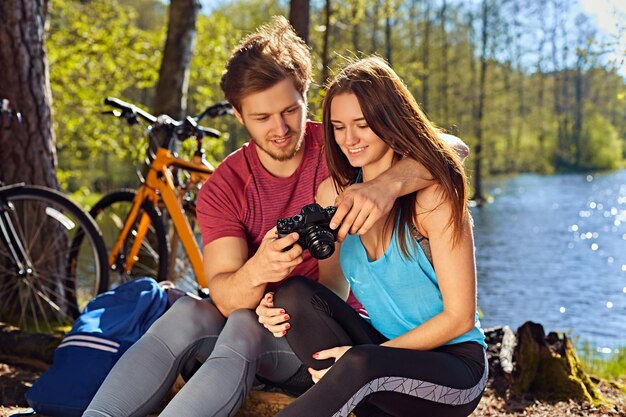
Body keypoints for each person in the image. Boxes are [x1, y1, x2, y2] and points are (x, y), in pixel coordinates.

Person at [83, 18, 465, 417]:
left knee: (244, 325)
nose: (280, 129)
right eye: (262, 118)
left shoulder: (344, 144)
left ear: (305, 96)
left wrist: (387, 185)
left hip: (334, 334)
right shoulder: (225, 186)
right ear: (237, 115)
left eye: (289, 111)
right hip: (261, 328)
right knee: (190, 312)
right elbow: (226, 295)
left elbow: (451, 147)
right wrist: (260, 269)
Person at [269, 57, 488, 417]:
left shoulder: (432, 197)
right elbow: (333, 290)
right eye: (338, 127)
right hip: (382, 356)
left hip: (456, 368)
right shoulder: (333, 197)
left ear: (390, 119)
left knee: (360, 365)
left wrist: (369, 359)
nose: (349, 139)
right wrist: (280, 310)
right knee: (293, 294)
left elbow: (460, 318)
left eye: (363, 124)